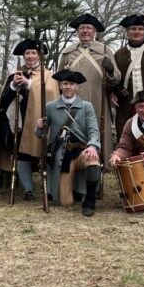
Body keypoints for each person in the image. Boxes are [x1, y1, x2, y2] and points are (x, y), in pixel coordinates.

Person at [0, 39, 58, 201]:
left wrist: (29, 84)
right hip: (19, 121)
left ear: (39, 55)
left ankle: (50, 189)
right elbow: (4, 102)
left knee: (45, 152)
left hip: (39, 119)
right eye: (27, 53)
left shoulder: (48, 75)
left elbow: (51, 93)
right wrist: (13, 86)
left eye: (34, 53)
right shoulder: (15, 73)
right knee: (22, 153)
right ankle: (28, 190)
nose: (30, 56)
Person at [36, 70, 102, 216]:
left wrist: (92, 146)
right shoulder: (51, 106)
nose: (68, 87)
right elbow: (40, 135)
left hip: (82, 150)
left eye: (71, 84)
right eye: (65, 84)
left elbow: (94, 131)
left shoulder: (86, 106)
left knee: (93, 159)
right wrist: (40, 127)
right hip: (62, 154)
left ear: (77, 87)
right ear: (60, 86)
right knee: (65, 202)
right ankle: (73, 192)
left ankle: (90, 200)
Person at [58, 13, 121, 157]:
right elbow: (59, 78)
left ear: (94, 32)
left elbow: (116, 78)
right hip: (71, 101)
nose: (85, 31)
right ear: (78, 31)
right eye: (82, 28)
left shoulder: (105, 51)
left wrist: (110, 70)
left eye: (89, 28)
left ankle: (97, 163)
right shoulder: (68, 52)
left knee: (96, 129)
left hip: (97, 99)